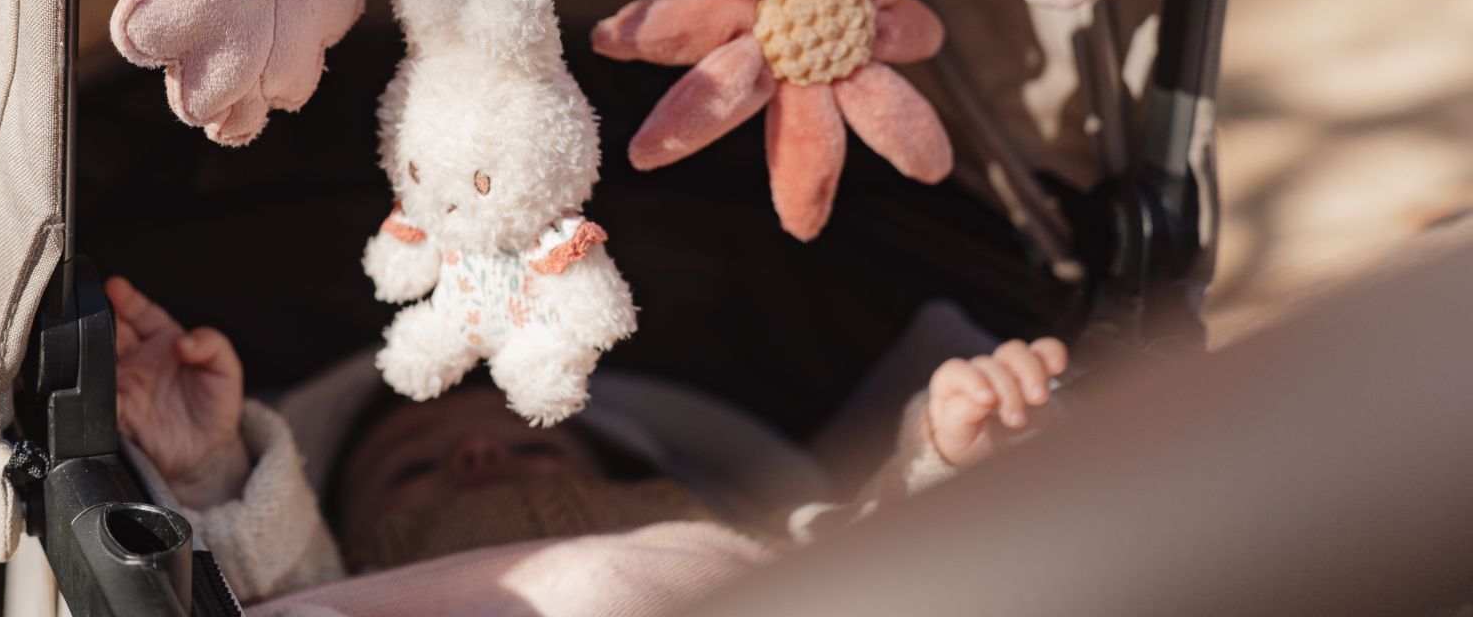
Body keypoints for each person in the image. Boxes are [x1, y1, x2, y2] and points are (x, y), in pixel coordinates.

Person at [106, 275, 1070, 616]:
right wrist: (208, 467)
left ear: (649, 487)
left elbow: (875, 569)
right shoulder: (348, 578)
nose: (476, 458)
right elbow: (263, 565)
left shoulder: (709, 535)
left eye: (535, 448)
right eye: (411, 468)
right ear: (347, 541)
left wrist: (946, 462)